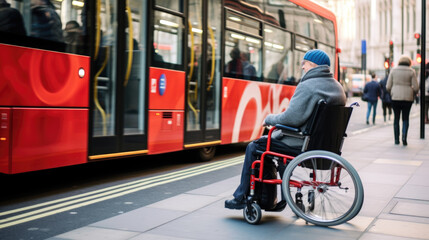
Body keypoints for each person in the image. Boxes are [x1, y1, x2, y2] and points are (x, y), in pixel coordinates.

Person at [224, 49, 346, 209]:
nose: (302, 67)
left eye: (305, 63)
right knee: (273, 148)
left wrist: (269, 118)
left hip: (301, 143)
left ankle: (241, 197)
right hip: (326, 145)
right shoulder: (338, 88)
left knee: (254, 147)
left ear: (313, 65)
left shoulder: (308, 86)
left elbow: (291, 118)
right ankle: (282, 196)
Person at [387, 56, 419, 146]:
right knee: (405, 118)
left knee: (396, 118)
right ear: (409, 62)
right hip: (408, 98)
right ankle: (404, 137)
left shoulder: (393, 71)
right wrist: (412, 91)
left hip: (395, 98)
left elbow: (388, 86)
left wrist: (392, 91)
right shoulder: (411, 71)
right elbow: (416, 87)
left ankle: (396, 139)